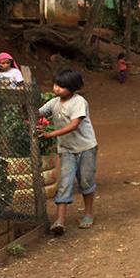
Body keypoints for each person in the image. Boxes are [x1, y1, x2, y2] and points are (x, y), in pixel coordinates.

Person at [38, 69, 98, 235]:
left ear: (72, 88)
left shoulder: (79, 102)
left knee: (86, 181)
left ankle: (88, 213)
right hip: (67, 150)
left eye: (62, 86)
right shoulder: (54, 102)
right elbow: (39, 112)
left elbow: (74, 124)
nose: (57, 89)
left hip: (86, 147)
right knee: (64, 183)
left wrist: (50, 134)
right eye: (56, 85)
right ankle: (60, 221)